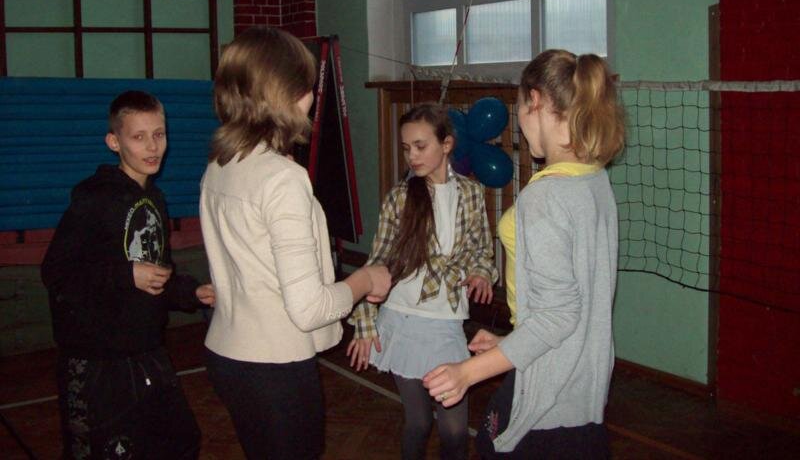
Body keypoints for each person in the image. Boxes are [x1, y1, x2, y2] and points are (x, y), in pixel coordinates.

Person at [199, 26, 391, 460]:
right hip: (274, 367)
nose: (311, 98)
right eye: (305, 88)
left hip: (228, 356)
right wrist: (366, 279)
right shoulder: (283, 179)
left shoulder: (221, 164)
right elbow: (309, 309)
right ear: (283, 94)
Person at [423, 50, 626, 459]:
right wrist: (510, 342)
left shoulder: (545, 197)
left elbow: (558, 314)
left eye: (518, 107)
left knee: (492, 444)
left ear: (534, 101)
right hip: (581, 383)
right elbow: (567, 301)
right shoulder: (594, 178)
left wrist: (468, 373)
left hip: (551, 393)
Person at [41, 90, 216, 460]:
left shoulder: (154, 199)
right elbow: (57, 272)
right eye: (138, 137)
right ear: (114, 142)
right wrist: (125, 274)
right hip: (97, 362)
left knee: (181, 443)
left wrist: (191, 293)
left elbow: (156, 273)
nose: (152, 147)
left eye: (159, 134)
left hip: (146, 351)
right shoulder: (94, 198)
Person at [347, 103, 497, 460]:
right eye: (406, 148)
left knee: (454, 430)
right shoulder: (401, 197)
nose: (412, 156)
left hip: (446, 322)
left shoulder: (471, 193)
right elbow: (376, 263)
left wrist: (481, 272)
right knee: (418, 422)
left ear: (446, 144)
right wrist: (365, 325)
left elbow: (482, 250)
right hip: (402, 319)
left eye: (420, 146)